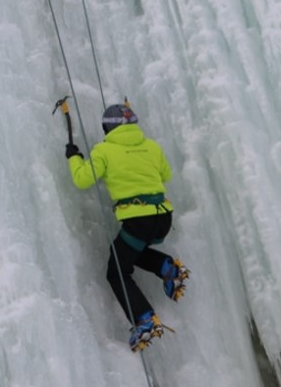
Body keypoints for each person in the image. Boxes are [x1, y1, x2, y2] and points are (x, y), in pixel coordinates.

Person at [66, 103, 190, 351]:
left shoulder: (105, 150)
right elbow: (166, 176)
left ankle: (144, 319)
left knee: (117, 271)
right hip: (163, 218)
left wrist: (74, 157)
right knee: (127, 252)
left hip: (138, 219)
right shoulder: (151, 146)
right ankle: (167, 267)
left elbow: (82, 179)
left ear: (108, 128)